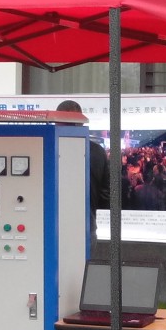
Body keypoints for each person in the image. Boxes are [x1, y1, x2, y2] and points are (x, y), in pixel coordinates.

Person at [55, 100, 110, 239]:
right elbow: (106, 193)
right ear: (81, 121)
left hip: (53, 225)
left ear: (56, 121)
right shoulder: (97, 151)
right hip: (86, 225)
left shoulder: (47, 147)